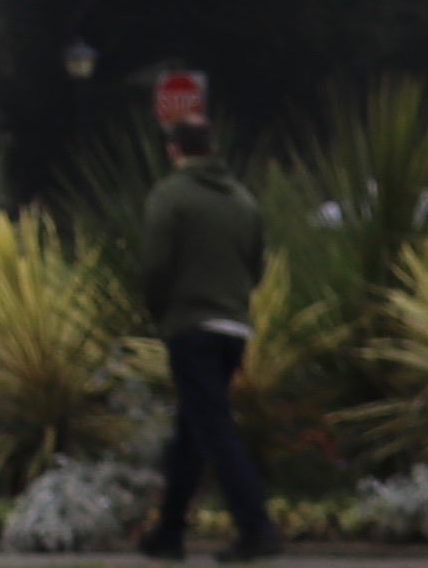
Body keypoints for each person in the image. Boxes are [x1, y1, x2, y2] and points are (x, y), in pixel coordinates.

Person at [130, 107, 279, 562]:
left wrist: (160, 313)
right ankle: (169, 532)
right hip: (233, 327)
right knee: (191, 432)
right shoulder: (242, 200)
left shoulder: (170, 197)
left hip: (190, 326)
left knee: (213, 430)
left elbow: (155, 266)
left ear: (173, 150)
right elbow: (256, 265)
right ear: (212, 148)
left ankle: (257, 528)